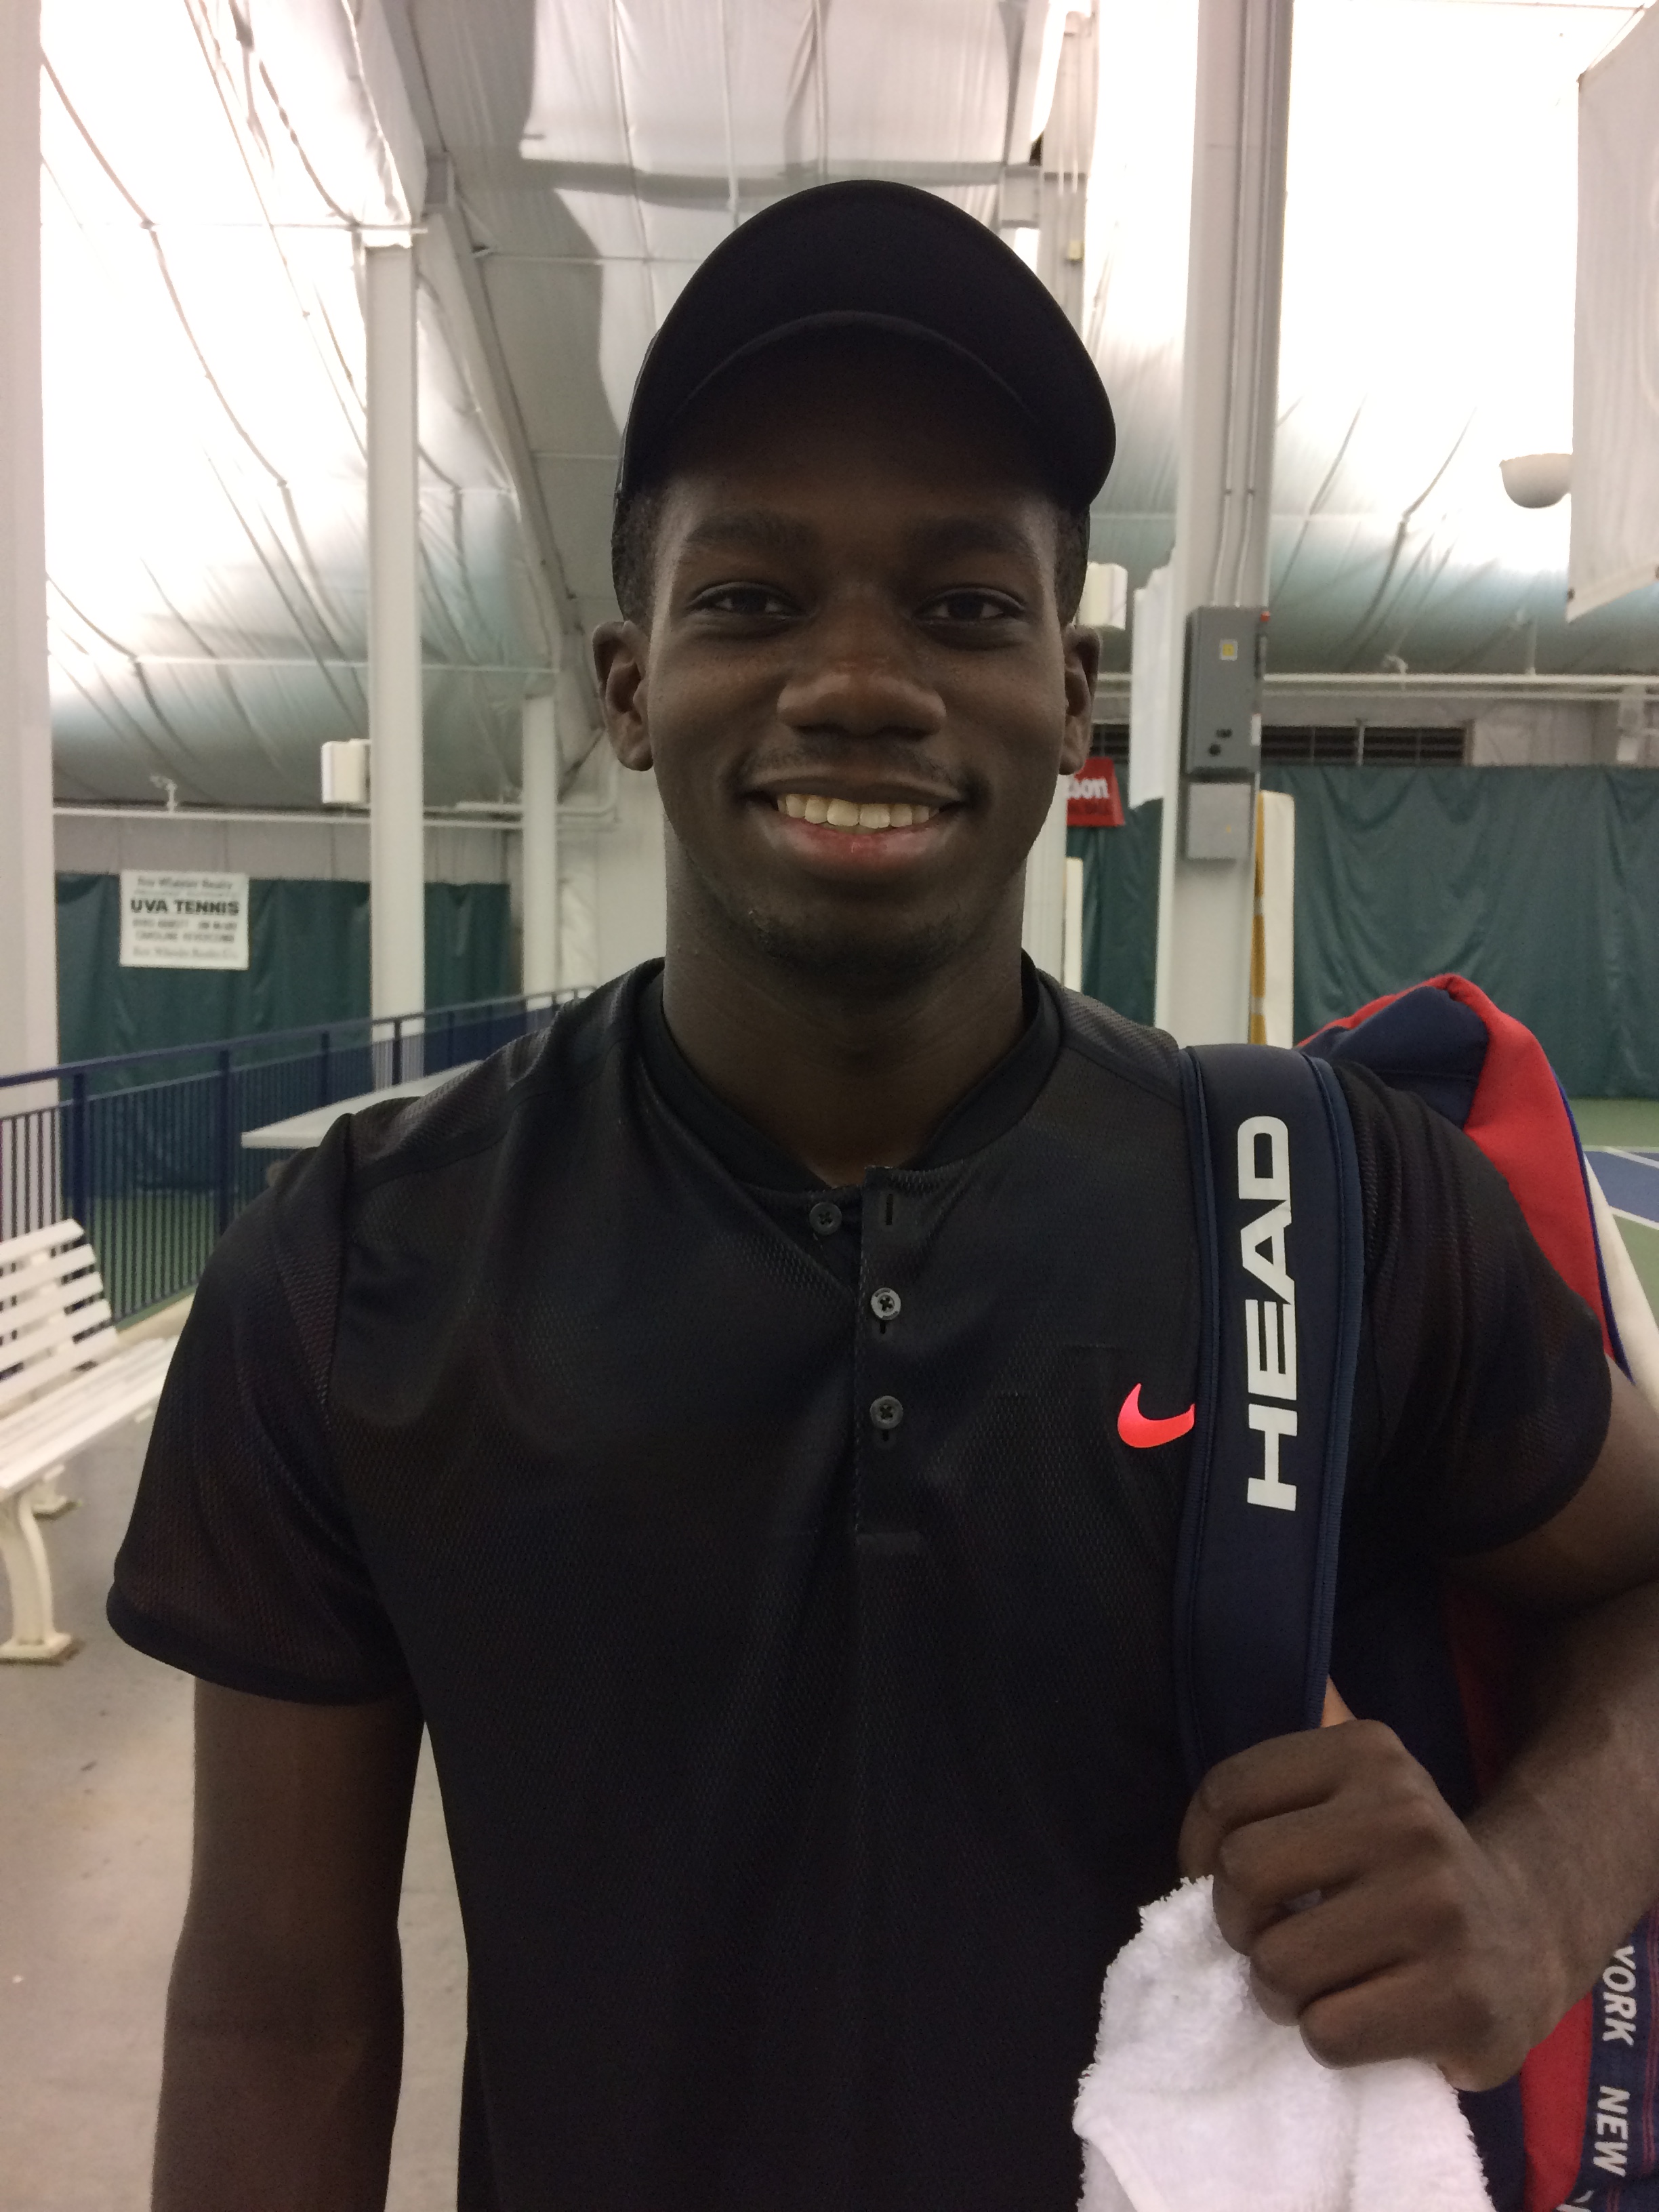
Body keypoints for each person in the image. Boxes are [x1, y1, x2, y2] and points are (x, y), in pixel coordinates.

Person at [110, 181, 1659, 2212]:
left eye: (964, 606)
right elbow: (280, 2012)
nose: (862, 680)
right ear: (626, 684)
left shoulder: (1330, 1199)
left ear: (1073, 703)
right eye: (751, 599)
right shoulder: (356, 1274)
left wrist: (1543, 1890)